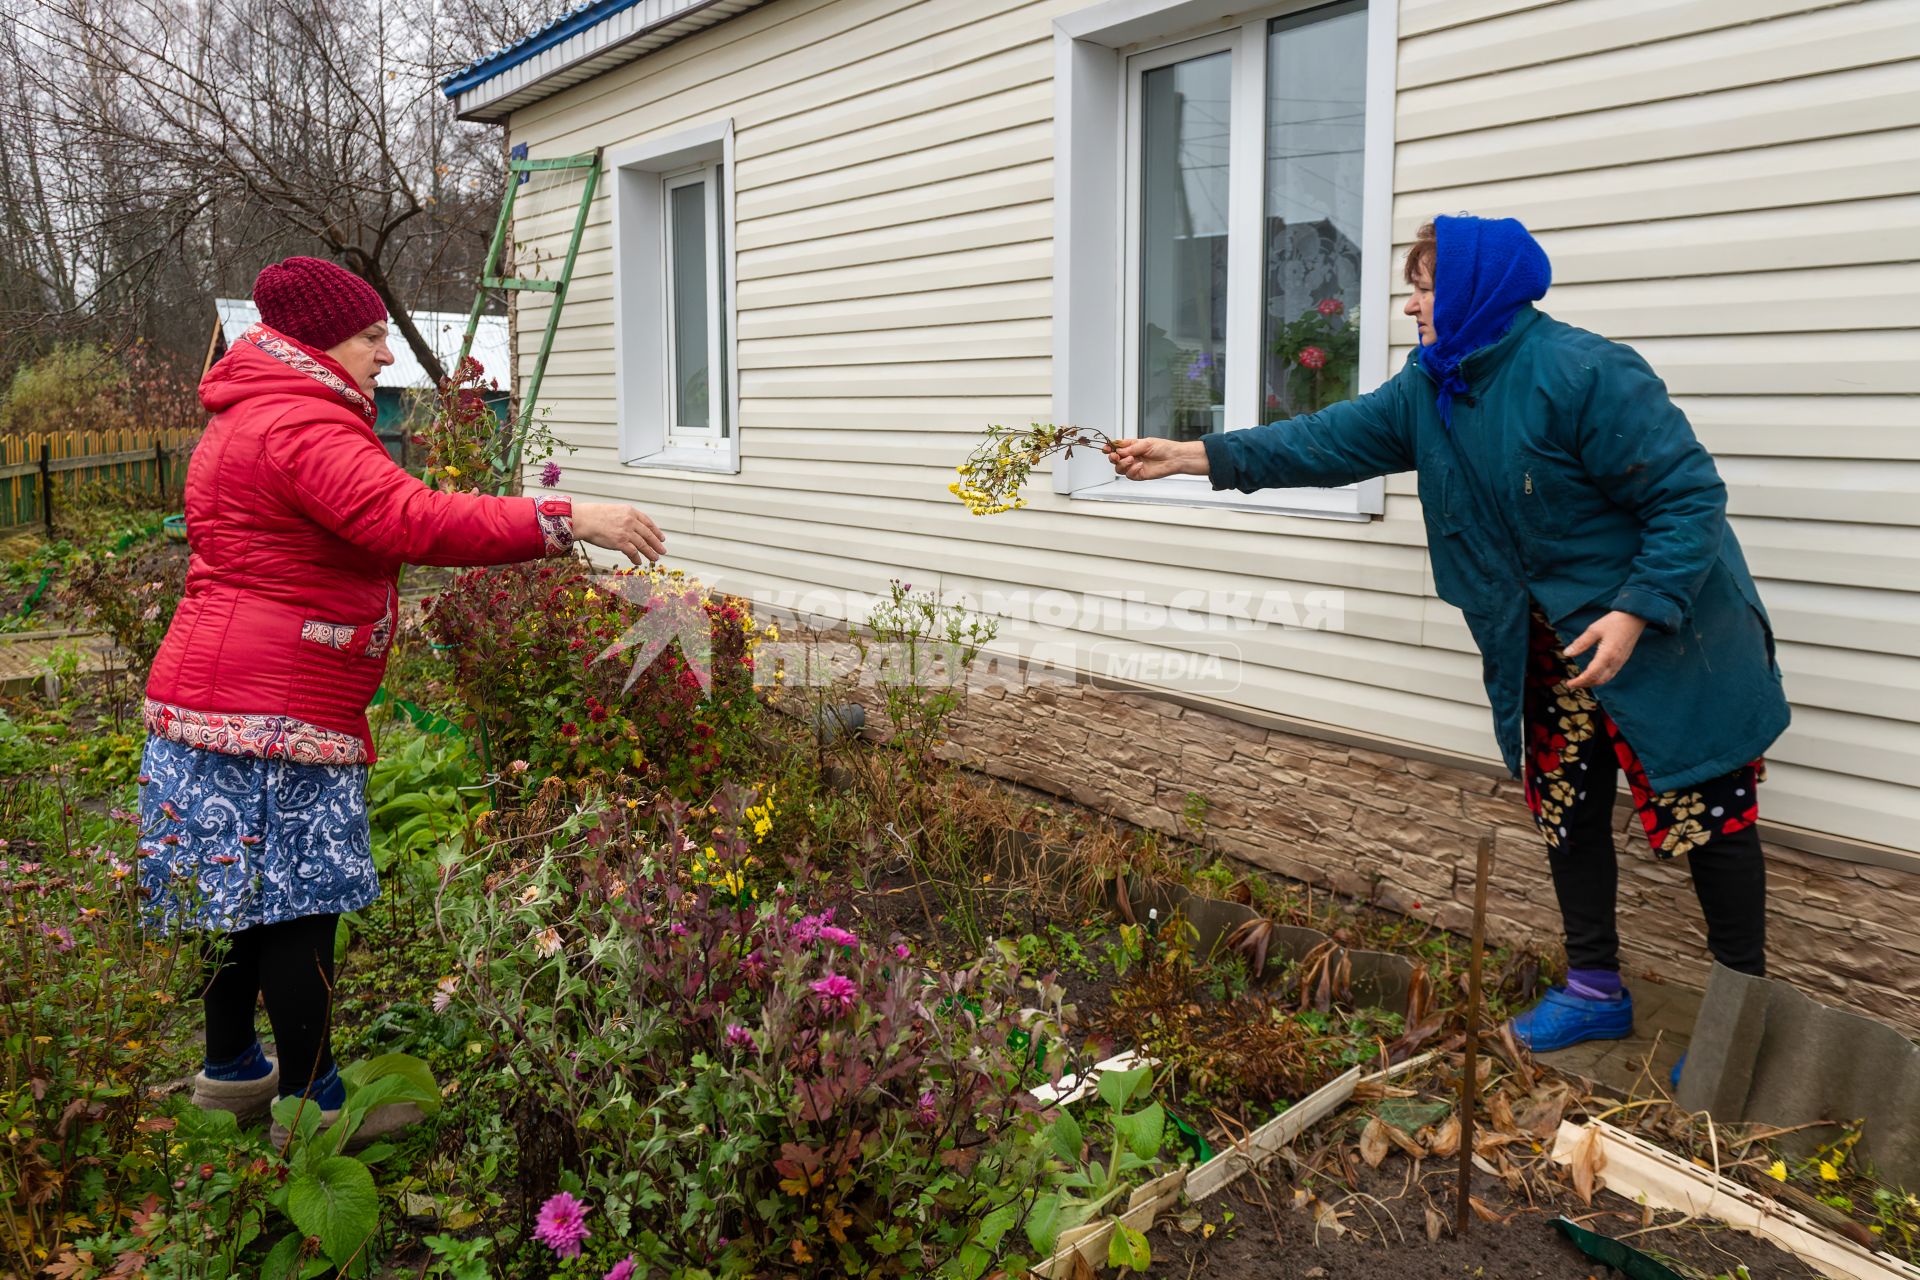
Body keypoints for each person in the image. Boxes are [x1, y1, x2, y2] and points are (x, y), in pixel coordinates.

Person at [1107, 216, 1788, 1062]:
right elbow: (1323, 440)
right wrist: (1191, 454)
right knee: (1567, 805)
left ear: (1474, 288)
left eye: (1424, 286)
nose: (1410, 306)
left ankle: (1740, 1031)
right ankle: (1594, 990)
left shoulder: (1583, 372)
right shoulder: (1432, 386)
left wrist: (1638, 608)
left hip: (1668, 636)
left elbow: (1688, 498)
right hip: (1554, 647)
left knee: (1707, 816)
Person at [141, 256, 665, 1142]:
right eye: (373, 334)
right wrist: (568, 519)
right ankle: (316, 1112)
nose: (387, 353)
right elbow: (411, 520)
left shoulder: (248, 414)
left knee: (228, 895)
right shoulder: (303, 425)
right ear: (321, 340)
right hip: (277, 709)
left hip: (209, 695)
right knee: (299, 907)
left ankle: (231, 1074)